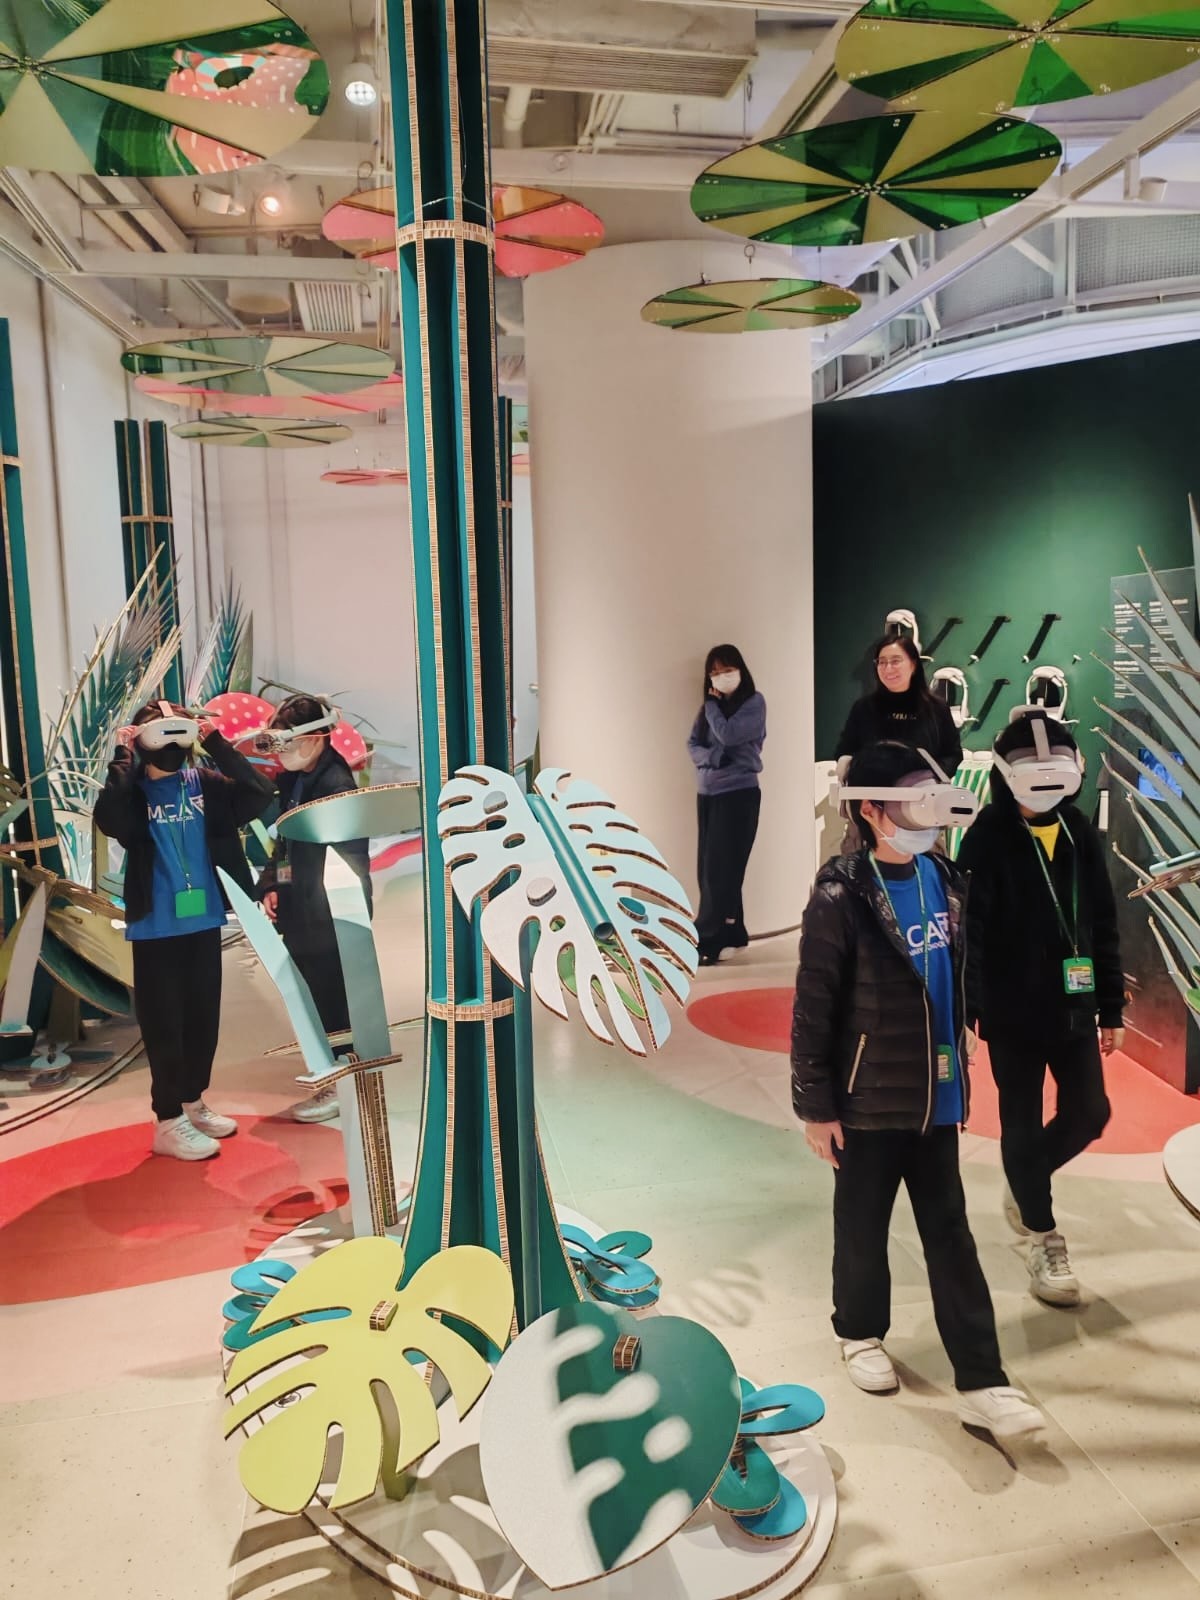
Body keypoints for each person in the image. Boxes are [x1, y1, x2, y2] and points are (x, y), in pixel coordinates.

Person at [791, 740, 1043, 1441]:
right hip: (866, 1100)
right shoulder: (840, 896)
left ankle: (983, 1380)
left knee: (951, 1234)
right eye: (910, 806)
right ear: (870, 811)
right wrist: (816, 1106)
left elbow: (963, 967)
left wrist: (969, 1030)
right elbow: (813, 1006)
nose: (925, 821)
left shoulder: (946, 877)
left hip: (938, 1098)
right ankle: (859, 1332)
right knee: (862, 1226)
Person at [956, 712, 1123, 1308]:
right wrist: (966, 1012)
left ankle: (1025, 1177)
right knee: (1021, 1122)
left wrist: (1111, 1008)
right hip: (1012, 1014)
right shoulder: (986, 837)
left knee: (1090, 1112)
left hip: (1074, 1008)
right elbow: (969, 931)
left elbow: (1103, 921)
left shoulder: (1079, 831)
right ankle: (1042, 1233)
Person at [95, 699, 273, 1160]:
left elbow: (260, 792)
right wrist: (123, 755)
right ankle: (168, 1118)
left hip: (203, 918)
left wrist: (215, 741)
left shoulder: (205, 785)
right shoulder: (133, 795)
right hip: (156, 925)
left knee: (202, 1019)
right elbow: (108, 819)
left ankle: (192, 1100)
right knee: (164, 1024)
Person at [255, 694, 371, 1123]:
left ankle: (341, 1083)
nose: (282, 753)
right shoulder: (294, 781)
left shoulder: (336, 787)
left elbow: (347, 863)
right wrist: (273, 884)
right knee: (313, 1000)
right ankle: (331, 1073)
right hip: (301, 911)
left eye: (288, 743)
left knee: (333, 1000)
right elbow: (285, 843)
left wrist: (332, 916)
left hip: (329, 916)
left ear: (317, 737)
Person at [687, 645, 766, 966]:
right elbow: (693, 743)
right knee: (710, 868)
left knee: (721, 871)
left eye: (727, 670)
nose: (721, 677)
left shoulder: (753, 703)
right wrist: (713, 758)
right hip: (708, 794)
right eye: (715, 672)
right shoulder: (709, 709)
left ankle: (708, 937)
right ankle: (734, 931)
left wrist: (712, 705)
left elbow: (729, 734)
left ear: (740, 670)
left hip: (739, 794)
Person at [836, 636, 962, 776]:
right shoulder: (863, 708)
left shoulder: (937, 708)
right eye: (882, 662)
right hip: (871, 787)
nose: (888, 668)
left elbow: (953, 755)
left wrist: (931, 775)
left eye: (895, 661)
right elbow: (845, 751)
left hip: (924, 787)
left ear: (913, 664)